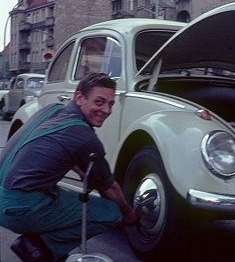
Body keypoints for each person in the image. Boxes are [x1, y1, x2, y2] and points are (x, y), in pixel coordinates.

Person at [0, 72, 138, 262]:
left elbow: (48, 146)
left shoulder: (51, 110)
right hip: (18, 209)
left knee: (61, 195)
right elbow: (109, 188)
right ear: (80, 98)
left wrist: (77, 166)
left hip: (3, 195)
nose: (107, 110)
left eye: (111, 103)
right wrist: (129, 214)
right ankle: (39, 247)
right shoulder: (84, 136)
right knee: (111, 213)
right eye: (99, 102)